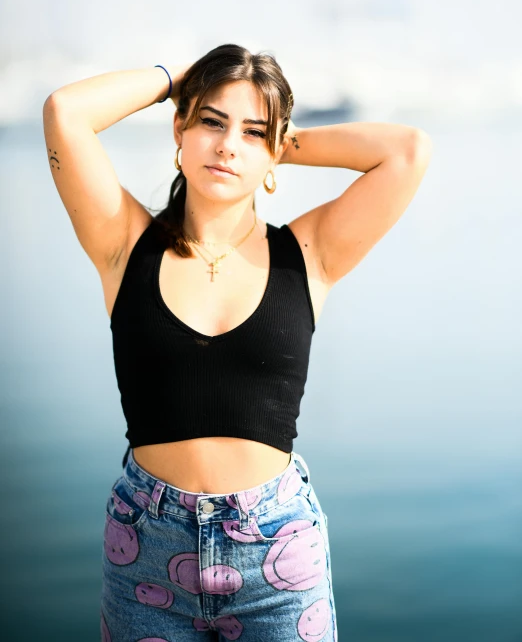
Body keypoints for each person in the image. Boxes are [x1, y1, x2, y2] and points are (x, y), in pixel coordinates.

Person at [43, 43, 432, 641]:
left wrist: (277, 140)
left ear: (274, 152)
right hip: (146, 547)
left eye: (251, 133)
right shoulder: (124, 245)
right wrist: (176, 80)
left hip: (277, 553)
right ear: (181, 129)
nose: (227, 145)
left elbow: (406, 152)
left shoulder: (308, 255)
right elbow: (66, 112)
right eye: (211, 122)